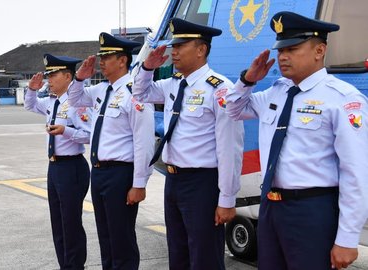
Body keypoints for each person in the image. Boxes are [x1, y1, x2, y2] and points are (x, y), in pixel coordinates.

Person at [225, 11, 368, 270]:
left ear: (319, 50)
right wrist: (247, 81)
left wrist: (347, 238)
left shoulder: (342, 99)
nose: (282, 56)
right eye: (280, 50)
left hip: (312, 210)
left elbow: (356, 172)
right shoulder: (278, 91)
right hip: (270, 208)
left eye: (292, 48)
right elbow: (233, 110)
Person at [132, 18, 244, 270]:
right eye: (174, 45)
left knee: (204, 256)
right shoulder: (173, 84)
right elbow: (139, 93)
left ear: (201, 49)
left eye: (181, 45)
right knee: (178, 253)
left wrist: (227, 198)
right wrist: (147, 68)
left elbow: (230, 149)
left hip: (202, 183)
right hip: (174, 181)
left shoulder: (220, 89)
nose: (174, 51)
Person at [68, 32, 154, 269]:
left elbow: (143, 141)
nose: (102, 62)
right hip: (99, 173)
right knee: (106, 238)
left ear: (123, 60)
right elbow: (74, 100)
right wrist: (79, 78)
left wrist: (139, 183)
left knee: (121, 240)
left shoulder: (136, 92)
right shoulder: (100, 91)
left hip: (120, 174)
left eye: (107, 57)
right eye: (101, 57)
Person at [24, 54, 91, 270]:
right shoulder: (52, 102)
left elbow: (90, 134)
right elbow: (30, 106)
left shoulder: (77, 102)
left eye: (53, 75)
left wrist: (66, 131)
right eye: (49, 74)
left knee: (71, 224)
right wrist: (32, 89)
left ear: (68, 77)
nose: (49, 79)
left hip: (72, 167)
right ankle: (65, 265)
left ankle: (75, 266)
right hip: (54, 167)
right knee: (58, 224)